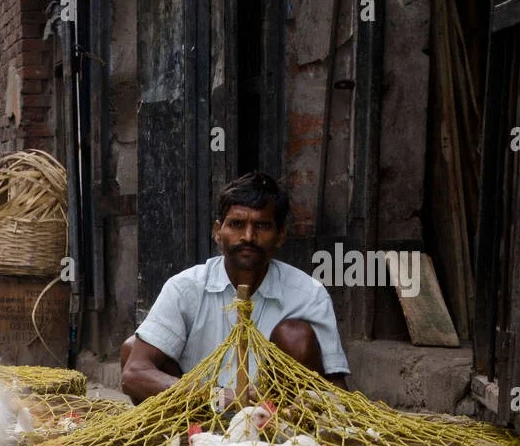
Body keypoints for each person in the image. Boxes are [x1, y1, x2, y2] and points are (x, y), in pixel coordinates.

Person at [120, 171, 350, 404]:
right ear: (218, 232)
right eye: (237, 224)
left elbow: (335, 387)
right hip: (197, 418)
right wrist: (217, 397)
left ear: (280, 235)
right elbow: (133, 374)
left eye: (262, 225)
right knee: (134, 349)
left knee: (295, 336)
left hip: (275, 424)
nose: (248, 236)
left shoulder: (309, 294)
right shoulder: (185, 288)